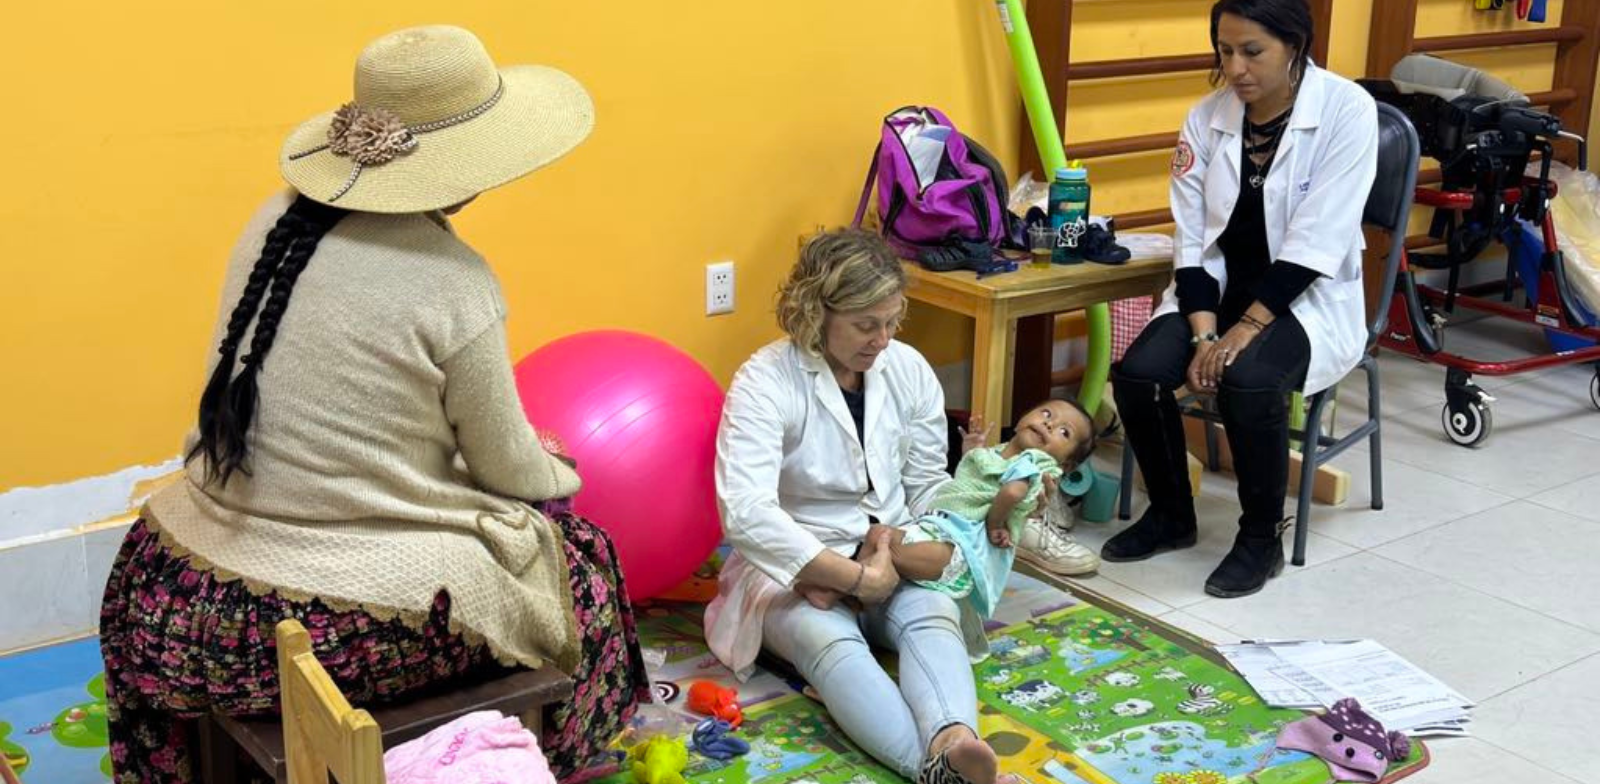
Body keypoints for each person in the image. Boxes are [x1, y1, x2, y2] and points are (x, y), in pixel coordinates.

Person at [97, 26, 648, 783]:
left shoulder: (277, 222)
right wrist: (559, 471)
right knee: (576, 562)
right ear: (477, 163)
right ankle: (554, 760)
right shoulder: (453, 280)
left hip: (173, 588)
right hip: (305, 619)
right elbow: (508, 467)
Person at [708, 228, 1092, 784]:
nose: (883, 339)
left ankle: (954, 738)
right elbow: (745, 512)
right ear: (816, 311)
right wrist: (853, 578)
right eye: (867, 325)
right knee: (828, 639)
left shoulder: (907, 368)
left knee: (932, 614)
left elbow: (926, 484)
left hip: (895, 548)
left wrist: (989, 502)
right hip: (795, 564)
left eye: (892, 321)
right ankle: (936, 773)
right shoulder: (766, 381)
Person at [1104, 0, 1377, 598]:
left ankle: (1260, 539)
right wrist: (1204, 332)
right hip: (1219, 294)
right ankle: (1173, 515)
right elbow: (1194, 239)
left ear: (1295, 45)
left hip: (1306, 298)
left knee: (1249, 380)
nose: (1235, 68)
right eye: (1224, 51)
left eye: (1252, 51)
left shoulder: (1345, 111)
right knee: (1140, 374)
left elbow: (1318, 240)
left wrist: (1242, 332)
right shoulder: (1207, 119)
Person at [801, 399, 1096, 629]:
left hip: (962, 550)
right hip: (938, 529)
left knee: (886, 545)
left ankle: (840, 593)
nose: (1048, 425)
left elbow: (1011, 493)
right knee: (878, 534)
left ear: (1067, 464)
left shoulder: (1033, 461)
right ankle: (857, 603)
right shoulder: (1001, 453)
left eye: (1063, 432)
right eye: (1046, 414)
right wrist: (973, 451)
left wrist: (995, 523)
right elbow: (971, 488)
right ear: (1022, 417)